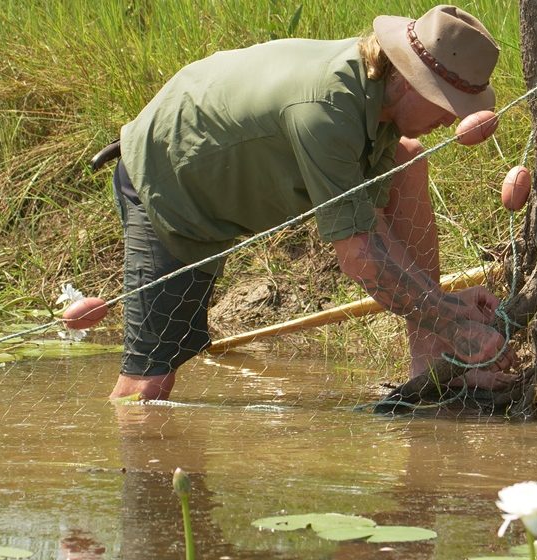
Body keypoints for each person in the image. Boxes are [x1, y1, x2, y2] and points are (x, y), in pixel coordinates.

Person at [107, 5, 515, 400]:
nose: (452, 119)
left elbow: (375, 229)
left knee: (408, 160)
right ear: (408, 79)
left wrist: (445, 305)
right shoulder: (327, 110)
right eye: (445, 102)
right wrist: (453, 324)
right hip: (170, 178)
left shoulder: (381, 101)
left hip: (222, 162)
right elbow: (361, 258)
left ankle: (431, 365)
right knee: (149, 386)